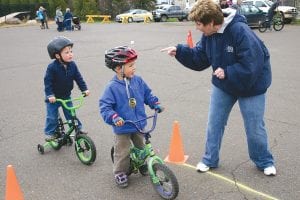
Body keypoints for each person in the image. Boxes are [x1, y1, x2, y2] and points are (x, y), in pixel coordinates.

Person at [161, 0, 276, 176]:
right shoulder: (209, 34)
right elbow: (200, 58)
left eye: (199, 24)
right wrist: (180, 51)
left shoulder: (240, 31)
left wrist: (229, 72)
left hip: (252, 85)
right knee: (214, 123)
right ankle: (209, 159)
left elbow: (253, 63)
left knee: (254, 127)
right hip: (223, 84)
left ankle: (264, 161)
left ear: (212, 23)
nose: (197, 28)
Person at [99, 46, 164, 188]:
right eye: (130, 65)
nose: (134, 68)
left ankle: (141, 163)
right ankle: (120, 172)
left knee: (142, 147)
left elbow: (147, 94)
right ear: (118, 68)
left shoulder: (138, 81)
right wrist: (114, 117)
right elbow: (105, 107)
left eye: (134, 65)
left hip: (139, 123)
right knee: (123, 152)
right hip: (123, 127)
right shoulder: (112, 87)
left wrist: (155, 103)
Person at [44, 36, 90, 141]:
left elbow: (78, 78)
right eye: (66, 52)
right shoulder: (52, 67)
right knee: (52, 117)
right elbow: (48, 83)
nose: (70, 54)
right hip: (54, 98)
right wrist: (50, 95)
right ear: (57, 55)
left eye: (71, 51)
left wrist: (84, 89)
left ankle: (78, 129)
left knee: (71, 114)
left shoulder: (72, 65)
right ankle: (50, 133)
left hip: (66, 96)